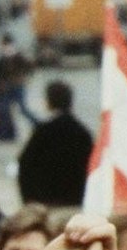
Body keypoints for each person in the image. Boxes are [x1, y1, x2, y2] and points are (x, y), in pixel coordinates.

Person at [17, 80, 94, 208]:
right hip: (76, 202)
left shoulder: (43, 131)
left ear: (48, 102)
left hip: (45, 202)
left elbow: (25, 164)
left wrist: (29, 201)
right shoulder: (83, 133)